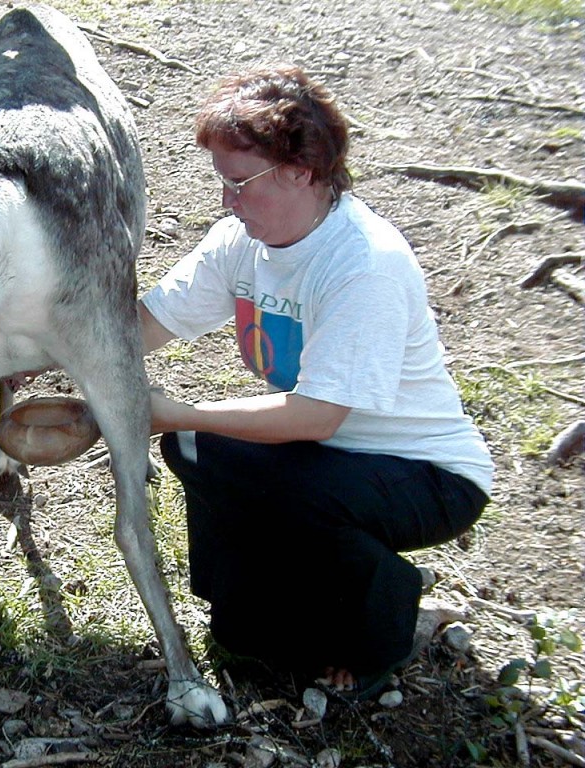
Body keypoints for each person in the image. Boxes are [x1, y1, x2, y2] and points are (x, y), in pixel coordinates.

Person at [138, 65, 494, 698]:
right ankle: (253, 614)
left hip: (422, 474)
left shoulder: (363, 264)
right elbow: (146, 324)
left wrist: (181, 410)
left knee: (224, 450)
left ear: (301, 171)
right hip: (328, 457)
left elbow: (314, 418)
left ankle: (382, 626)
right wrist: (42, 342)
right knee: (197, 451)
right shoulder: (239, 242)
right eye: (222, 182)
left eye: (239, 183)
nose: (227, 201)